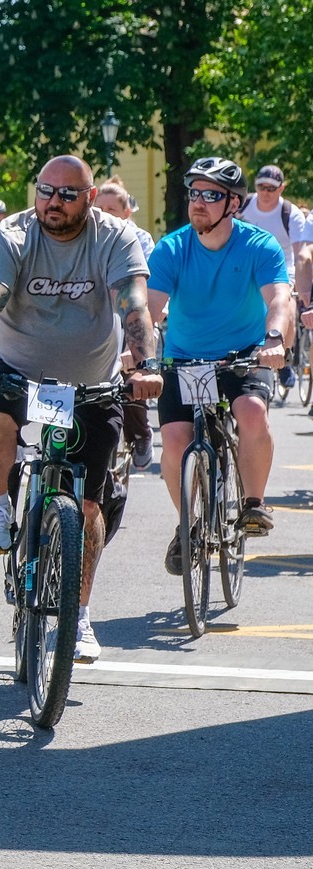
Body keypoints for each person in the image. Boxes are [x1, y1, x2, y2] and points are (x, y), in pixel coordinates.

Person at [0, 156, 161, 662]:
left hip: (92, 382)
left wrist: (146, 364)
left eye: (68, 195)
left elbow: (133, 302)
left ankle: (80, 614)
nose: (54, 202)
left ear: (89, 198)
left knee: (89, 506)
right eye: (46, 191)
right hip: (17, 370)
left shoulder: (114, 236)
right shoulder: (12, 234)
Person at [147, 157, 291, 569]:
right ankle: (188, 524)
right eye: (194, 193)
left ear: (234, 204)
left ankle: (253, 503)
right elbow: (148, 309)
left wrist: (275, 339)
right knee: (175, 440)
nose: (198, 202)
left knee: (251, 411)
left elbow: (279, 299)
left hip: (244, 354)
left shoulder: (258, 245)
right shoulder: (172, 248)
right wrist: (133, 350)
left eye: (211, 195)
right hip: (184, 358)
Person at [95, 177, 158, 468]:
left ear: (126, 212)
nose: (105, 214)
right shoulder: (88, 236)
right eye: (100, 208)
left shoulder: (139, 239)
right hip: (96, 318)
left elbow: (145, 291)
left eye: (112, 209)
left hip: (129, 315)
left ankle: (140, 434)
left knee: (131, 373)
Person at [236, 165, 305, 392]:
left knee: (288, 306)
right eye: (261, 186)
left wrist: (300, 282)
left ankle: (284, 357)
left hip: (282, 269)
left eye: (271, 188)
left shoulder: (290, 213)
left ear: (281, 188)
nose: (265, 192)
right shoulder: (243, 205)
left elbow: (299, 253)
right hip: (247, 267)